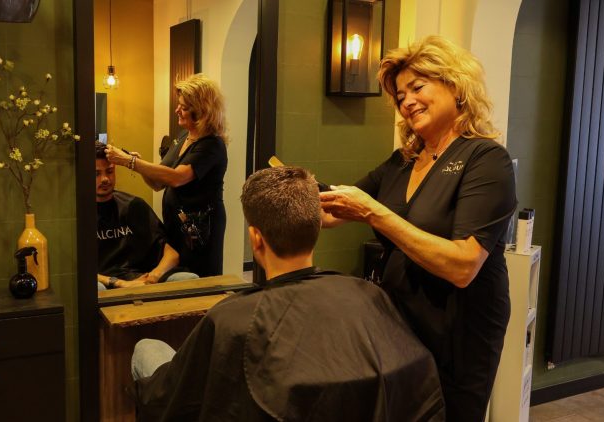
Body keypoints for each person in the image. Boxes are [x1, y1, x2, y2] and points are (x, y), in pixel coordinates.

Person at [129, 166, 445, 421]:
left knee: (147, 349)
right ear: (317, 228)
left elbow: (172, 400)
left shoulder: (229, 318)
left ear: (256, 239)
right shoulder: (368, 294)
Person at [320, 35, 517, 421]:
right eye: (400, 95)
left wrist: (375, 214)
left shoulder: (485, 159)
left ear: (454, 86)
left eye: (417, 87)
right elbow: (332, 210)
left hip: (459, 335)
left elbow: (463, 266)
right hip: (401, 325)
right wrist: (293, 189)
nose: (407, 101)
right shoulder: (403, 161)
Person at [105, 74, 228, 277]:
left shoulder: (212, 145)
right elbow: (158, 183)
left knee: (200, 281)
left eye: (184, 107)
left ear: (202, 111)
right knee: (177, 275)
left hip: (200, 231)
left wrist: (130, 162)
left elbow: (176, 178)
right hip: (176, 226)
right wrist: (135, 163)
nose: (177, 110)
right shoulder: (184, 137)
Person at [95, 142, 197, 290]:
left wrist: (153, 276)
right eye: (97, 174)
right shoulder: (79, 216)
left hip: (142, 279)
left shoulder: (134, 206)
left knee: (188, 279)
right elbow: (75, 269)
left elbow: (172, 254)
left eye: (109, 171)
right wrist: (119, 283)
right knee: (97, 289)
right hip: (107, 284)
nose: (105, 179)